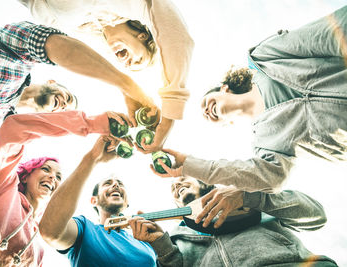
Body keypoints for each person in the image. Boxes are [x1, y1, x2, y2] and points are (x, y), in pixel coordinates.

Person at [151, 5, 347, 194]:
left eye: (205, 102)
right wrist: (192, 166)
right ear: (228, 123)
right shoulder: (265, 142)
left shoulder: (263, 60)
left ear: (224, 88)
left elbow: (324, 35)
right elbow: (270, 179)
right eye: (206, 116)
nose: (205, 111)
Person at [0, 108, 127, 266]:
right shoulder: (2, 189)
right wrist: (91, 123)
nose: (52, 177)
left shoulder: (40, 245)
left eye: (58, 177)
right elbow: (14, 128)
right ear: (25, 176)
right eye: (45, 169)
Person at [0, 21, 154, 157]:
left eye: (66, 111)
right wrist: (128, 87)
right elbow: (56, 46)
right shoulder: (17, 57)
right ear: (53, 82)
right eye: (68, 98)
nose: (64, 105)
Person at [19, 0, 195, 153]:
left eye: (128, 66)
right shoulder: (135, 6)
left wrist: (126, 89)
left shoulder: (81, 29)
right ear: (143, 36)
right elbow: (176, 37)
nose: (128, 64)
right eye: (138, 59)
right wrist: (170, 113)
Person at [129, 177, 338, 266]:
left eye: (182, 179)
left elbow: (316, 215)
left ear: (204, 183)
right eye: (173, 188)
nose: (177, 185)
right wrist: (161, 246)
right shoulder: (177, 237)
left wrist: (251, 197)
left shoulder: (250, 200)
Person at [39, 175, 157, 265]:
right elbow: (51, 231)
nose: (116, 185)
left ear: (127, 203)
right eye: (107, 183)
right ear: (93, 201)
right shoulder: (84, 229)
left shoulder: (147, 243)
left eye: (120, 183)